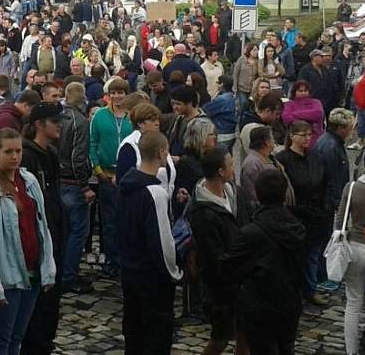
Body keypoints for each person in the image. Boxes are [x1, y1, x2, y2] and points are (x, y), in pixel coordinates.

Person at [0, 128, 56, 355]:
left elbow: (42, 226)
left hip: (31, 272)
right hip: (3, 277)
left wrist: (48, 267)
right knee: (0, 339)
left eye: (18, 151)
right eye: (9, 152)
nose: (15, 156)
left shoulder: (29, 180)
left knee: (16, 338)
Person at [220, 170, 306, 355]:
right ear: (284, 195)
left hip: (260, 307)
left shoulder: (252, 232)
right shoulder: (296, 227)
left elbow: (229, 268)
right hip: (289, 304)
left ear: (258, 194)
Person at [116, 131, 182, 354]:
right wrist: (174, 272)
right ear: (162, 153)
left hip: (130, 268)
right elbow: (162, 240)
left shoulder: (126, 184)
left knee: (134, 332)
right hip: (152, 275)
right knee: (156, 337)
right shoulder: (155, 193)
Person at [188, 147, 248, 355]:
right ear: (220, 171)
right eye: (231, 164)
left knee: (244, 333)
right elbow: (213, 257)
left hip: (241, 278)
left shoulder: (235, 194)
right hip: (221, 286)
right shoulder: (203, 212)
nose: (234, 167)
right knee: (221, 338)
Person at [21, 102, 65, 354]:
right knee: (37, 309)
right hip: (37, 243)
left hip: (54, 238)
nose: (59, 125)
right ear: (39, 124)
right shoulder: (27, 156)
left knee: (50, 307)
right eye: (54, 121)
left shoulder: (50, 153)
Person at [277, 120, 331, 307]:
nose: (308, 138)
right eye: (304, 135)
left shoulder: (315, 157)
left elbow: (323, 183)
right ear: (293, 136)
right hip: (295, 216)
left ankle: (310, 289)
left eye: (310, 134)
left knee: (312, 256)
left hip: (316, 215)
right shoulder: (283, 159)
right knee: (295, 258)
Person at [336, 146, 365, 355]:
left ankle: (351, 350)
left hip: (354, 247)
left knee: (353, 302)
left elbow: (340, 221)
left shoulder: (352, 187)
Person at [88, 77, 133, 277]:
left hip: (129, 176)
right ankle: (111, 260)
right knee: (109, 222)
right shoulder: (100, 116)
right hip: (106, 175)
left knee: (128, 220)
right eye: (113, 92)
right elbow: (92, 143)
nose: (117, 96)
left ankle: (126, 260)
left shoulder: (132, 117)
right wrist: (97, 169)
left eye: (120, 92)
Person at [57, 82, 93, 294]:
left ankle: (64, 271)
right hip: (72, 182)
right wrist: (85, 185)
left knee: (65, 231)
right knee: (78, 231)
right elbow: (77, 157)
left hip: (59, 179)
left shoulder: (59, 118)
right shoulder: (79, 121)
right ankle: (69, 276)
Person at [312, 108, 354, 214]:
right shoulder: (331, 148)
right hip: (327, 201)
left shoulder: (326, 141)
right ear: (340, 128)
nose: (351, 131)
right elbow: (334, 177)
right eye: (350, 128)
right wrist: (338, 202)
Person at [240, 126, 294, 208]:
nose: (274, 141)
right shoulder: (252, 164)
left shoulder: (270, 157)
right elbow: (253, 194)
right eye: (272, 138)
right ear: (267, 142)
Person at [281, 80, 324, 149]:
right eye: (300, 91)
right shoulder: (289, 104)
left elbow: (318, 114)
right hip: (295, 141)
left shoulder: (316, 102)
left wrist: (294, 114)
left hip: (316, 140)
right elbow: (286, 118)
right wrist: (309, 118)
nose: (303, 93)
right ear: (294, 92)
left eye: (305, 90)